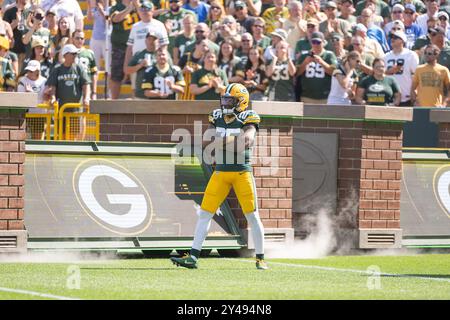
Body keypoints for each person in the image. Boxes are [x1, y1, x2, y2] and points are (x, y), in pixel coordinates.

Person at [170, 83, 268, 270]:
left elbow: (246, 141)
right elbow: (208, 140)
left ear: (241, 101)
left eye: (230, 100)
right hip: (221, 172)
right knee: (205, 214)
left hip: (241, 172)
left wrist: (220, 143)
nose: (225, 103)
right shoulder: (216, 116)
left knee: (252, 216)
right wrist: (229, 142)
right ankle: (193, 257)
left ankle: (260, 258)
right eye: (225, 99)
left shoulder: (249, 117)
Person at [124, 1, 168, 96]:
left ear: (152, 11)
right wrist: (126, 64)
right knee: (136, 88)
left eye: (147, 9)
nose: (144, 12)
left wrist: (161, 61)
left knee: (153, 88)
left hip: (155, 62)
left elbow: (164, 45)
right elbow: (129, 47)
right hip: (138, 61)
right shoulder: (135, 26)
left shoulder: (159, 25)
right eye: (142, 9)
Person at [44, 44, 91, 110]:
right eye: (73, 54)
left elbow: (86, 84)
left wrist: (87, 97)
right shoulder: (57, 69)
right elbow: (52, 85)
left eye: (76, 54)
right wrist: (53, 97)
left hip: (76, 109)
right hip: (61, 110)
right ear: (65, 55)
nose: (75, 56)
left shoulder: (79, 68)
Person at [109, 0, 139, 99]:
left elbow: (149, 14)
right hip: (120, 47)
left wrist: (137, 5)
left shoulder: (139, 5)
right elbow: (115, 18)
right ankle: (114, 101)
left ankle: (137, 103)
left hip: (137, 48)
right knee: (116, 76)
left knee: (137, 77)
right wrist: (129, 8)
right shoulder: (116, 6)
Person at [296, 31, 337, 104]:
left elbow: (334, 73)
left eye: (318, 42)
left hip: (325, 97)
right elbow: (297, 73)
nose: (315, 44)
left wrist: (321, 62)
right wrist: (305, 63)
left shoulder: (329, 55)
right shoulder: (304, 55)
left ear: (323, 42)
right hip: (307, 96)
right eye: (313, 42)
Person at [384, 30, 419, 106]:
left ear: (402, 41)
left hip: (407, 96)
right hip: (390, 96)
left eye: (395, 37)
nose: (392, 39)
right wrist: (390, 71)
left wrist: (414, 91)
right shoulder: (386, 56)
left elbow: (416, 75)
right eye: (391, 37)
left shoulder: (411, 55)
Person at [125, 31, 159, 99]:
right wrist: (140, 65)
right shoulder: (139, 54)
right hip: (141, 93)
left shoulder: (163, 55)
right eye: (149, 39)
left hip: (158, 93)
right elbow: (127, 70)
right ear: (145, 41)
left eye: (154, 39)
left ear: (158, 41)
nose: (151, 41)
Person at [72, 30, 98, 101]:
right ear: (72, 39)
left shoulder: (89, 53)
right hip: (72, 87)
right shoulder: (68, 52)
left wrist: (94, 92)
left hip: (86, 87)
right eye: (77, 38)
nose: (79, 40)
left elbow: (94, 74)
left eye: (82, 38)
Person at [87, 0, 107, 71]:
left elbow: (108, 21)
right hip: (95, 38)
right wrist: (89, 6)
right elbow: (89, 19)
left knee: (108, 64)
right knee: (94, 65)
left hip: (106, 39)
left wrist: (101, 11)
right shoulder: (95, 8)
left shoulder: (110, 8)